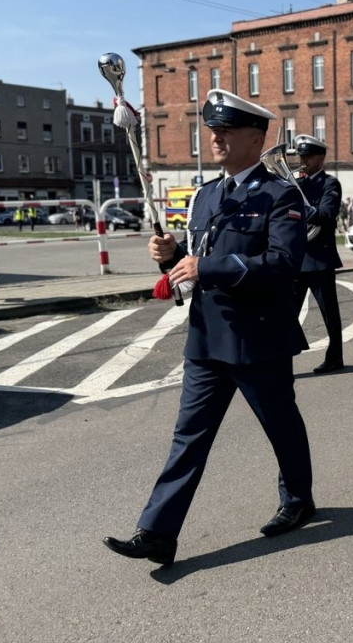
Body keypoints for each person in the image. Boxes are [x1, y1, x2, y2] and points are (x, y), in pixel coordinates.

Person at [102, 90, 315, 566]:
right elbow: (199, 260)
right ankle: (157, 532)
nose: (214, 138)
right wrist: (173, 257)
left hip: (257, 338)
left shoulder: (280, 195)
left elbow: (282, 263)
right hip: (206, 336)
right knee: (188, 436)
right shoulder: (206, 195)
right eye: (212, 130)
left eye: (227, 131)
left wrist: (204, 266)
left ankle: (298, 498)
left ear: (257, 138)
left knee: (281, 427)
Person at [292, 134, 345, 374]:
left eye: (308, 156)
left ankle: (335, 357)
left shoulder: (329, 184)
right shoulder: (296, 183)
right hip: (296, 257)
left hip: (320, 258)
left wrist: (299, 208)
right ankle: (285, 356)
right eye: (301, 156)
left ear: (321, 158)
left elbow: (325, 214)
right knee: (287, 312)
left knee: (329, 313)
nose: (303, 160)